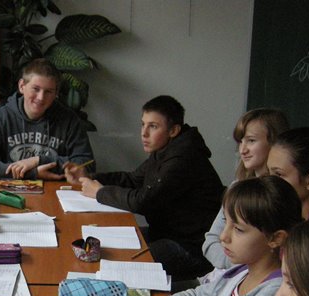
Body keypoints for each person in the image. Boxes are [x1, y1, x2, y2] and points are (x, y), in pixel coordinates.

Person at [125, 176, 301, 296]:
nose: (223, 236)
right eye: (226, 223)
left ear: (276, 238)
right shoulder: (241, 272)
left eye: (238, 229)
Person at [67, 95, 224, 282]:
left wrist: (100, 192)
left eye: (153, 126)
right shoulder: (166, 149)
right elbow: (133, 179)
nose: (144, 133)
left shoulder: (183, 158)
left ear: (173, 130)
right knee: (104, 249)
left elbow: (143, 201)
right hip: (164, 234)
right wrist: (89, 176)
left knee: (120, 265)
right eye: (143, 124)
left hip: (190, 247)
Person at [0, 58, 94, 180]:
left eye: (48, 91)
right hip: (12, 187)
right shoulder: (1, 118)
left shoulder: (69, 120)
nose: (41, 97)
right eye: (36, 89)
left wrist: (39, 160)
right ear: (22, 86)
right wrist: (32, 173)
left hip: (57, 188)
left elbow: (87, 164)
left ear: (56, 93)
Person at [202, 108, 290, 271]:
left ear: (274, 143)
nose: (243, 150)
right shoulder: (237, 186)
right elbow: (211, 241)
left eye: (251, 141)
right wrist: (236, 263)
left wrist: (242, 267)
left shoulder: (281, 198)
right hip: (222, 277)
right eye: (241, 141)